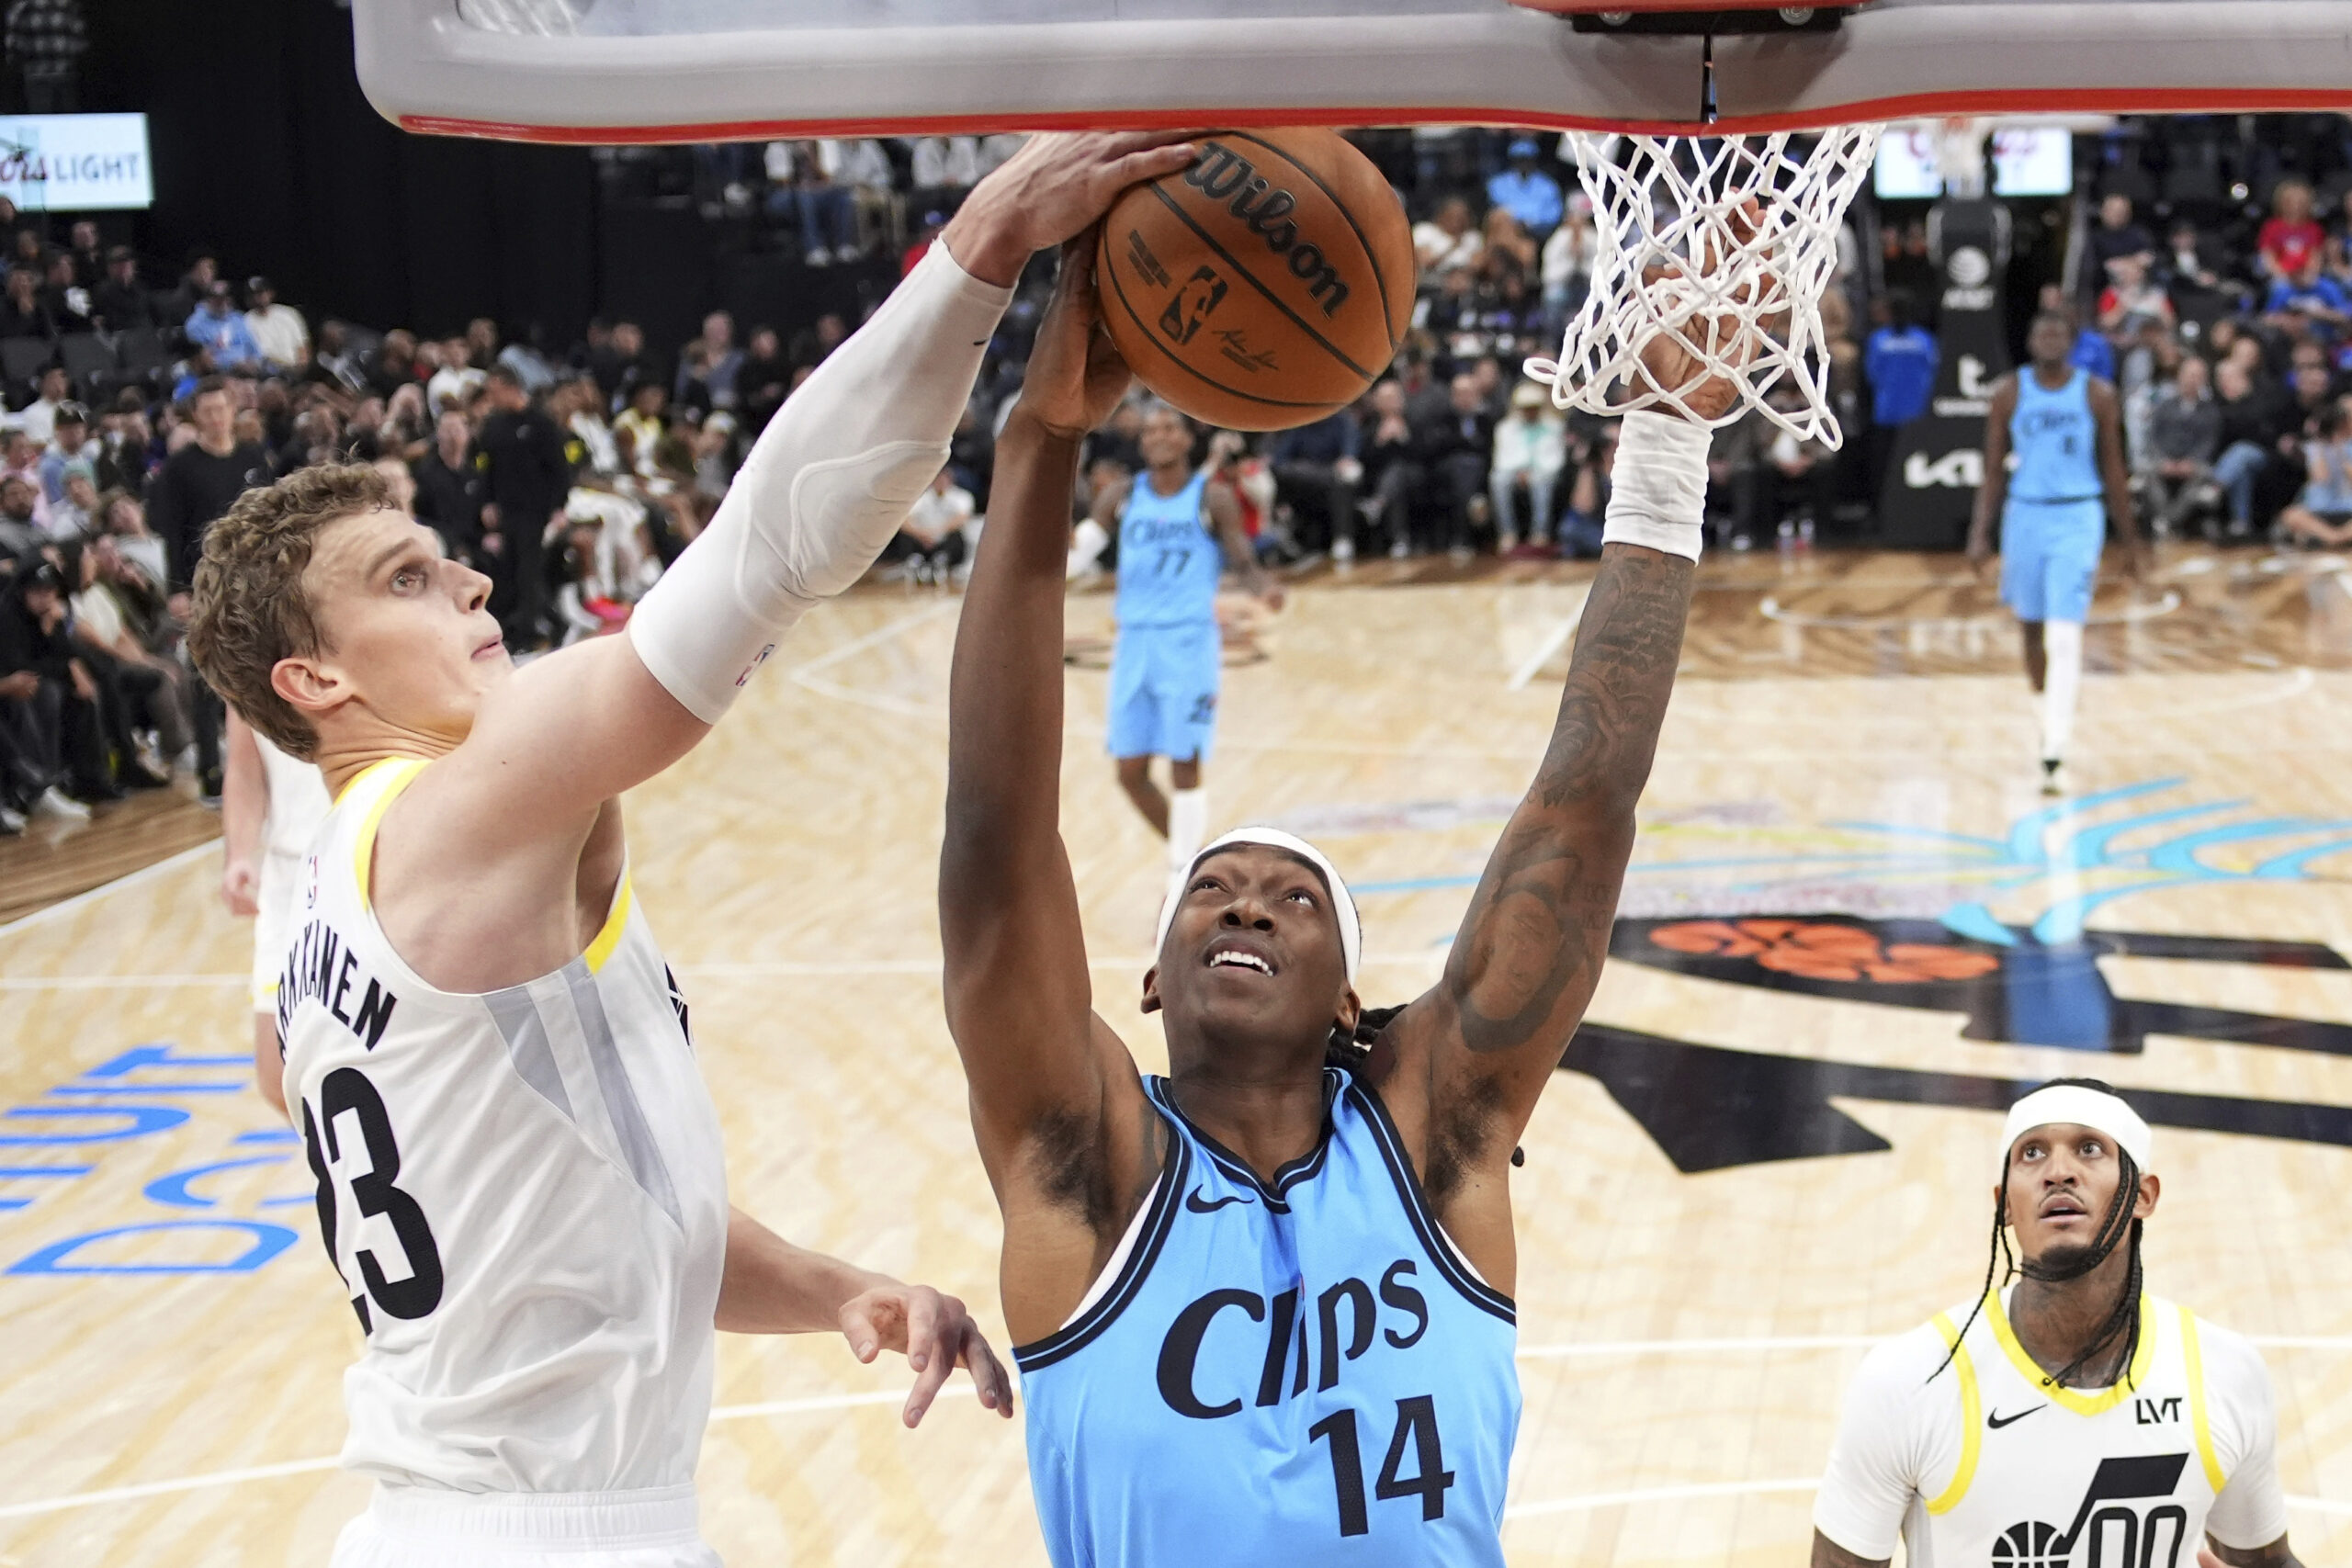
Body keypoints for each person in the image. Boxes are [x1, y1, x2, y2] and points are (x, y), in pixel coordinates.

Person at [178, 131, 1189, 1568]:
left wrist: (840, 1283)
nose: (469, 577)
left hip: (461, 1527)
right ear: (317, 684)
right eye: (407, 579)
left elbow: (586, 1221)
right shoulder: (456, 810)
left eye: (446, 552)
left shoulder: (321, 951)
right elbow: (763, 547)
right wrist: (983, 247)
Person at [938, 234, 1732, 1567]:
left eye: (1293, 898)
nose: (1245, 905)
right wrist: (1041, 439)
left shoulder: (1436, 1136)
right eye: (1212, 891)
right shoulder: (1092, 1161)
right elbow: (998, 845)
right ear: (1149, 977)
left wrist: (1666, 446)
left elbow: (1580, 812)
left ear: (1353, 994)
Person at [1812, 1080, 2303, 1568]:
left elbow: (2269, 1562)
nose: (2059, 1172)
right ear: (2005, 1203)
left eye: (2090, 1149)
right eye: (2032, 1153)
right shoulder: (1909, 1381)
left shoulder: (2225, 1373)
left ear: (2144, 1196)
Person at [1087, 408, 1278, 889]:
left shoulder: (1210, 497)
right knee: (1129, 772)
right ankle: (1196, 860)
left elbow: (1241, 556)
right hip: (1134, 642)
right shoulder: (1120, 496)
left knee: (1184, 762)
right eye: (1150, 430)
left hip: (1188, 642)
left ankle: (1181, 878)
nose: (1159, 436)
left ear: (1188, 438)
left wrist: (1262, 586)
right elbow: (1077, 552)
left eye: (1169, 427)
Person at [1968, 310, 2143, 795]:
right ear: (2029, 340)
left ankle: (2054, 745)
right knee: (2031, 630)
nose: (2048, 340)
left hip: (2078, 515)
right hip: (2025, 515)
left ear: (2071, 341)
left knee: (2065, 635)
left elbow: (2113, 468)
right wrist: (1980, 533)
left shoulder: (2096, 394)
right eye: (2041, 332)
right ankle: (2045, 711)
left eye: (2057, 333)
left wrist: (2129, 540)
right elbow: (1993, 470)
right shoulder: (2008, 392)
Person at [220, 710, 334, 1114]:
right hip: (287, 877)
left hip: (366, 858)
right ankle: (341, 1174)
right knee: (278, 1076)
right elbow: (244, 768)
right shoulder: (243, 656)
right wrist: (239, 855)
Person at [474, 364, 572, 648]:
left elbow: (559, 469)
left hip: (535, 510)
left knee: (528, 570)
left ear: (510, 388)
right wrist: (487, 502)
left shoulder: (542, 424)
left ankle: (528, 633)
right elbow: (487, 468)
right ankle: (540, 622)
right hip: (506, 509)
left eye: (495, 392)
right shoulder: (494, 426)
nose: (491, 398)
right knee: (510, 568)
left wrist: (559, 507)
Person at [2278, 401, 2352, 547]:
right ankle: (2335, 538)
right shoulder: (2313, 448)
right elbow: (2321, 477)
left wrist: (2340, 452)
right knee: (2291, 515)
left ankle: (2327, 538)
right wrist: (2320, 444)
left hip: (2347, 508)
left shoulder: (2348, 447)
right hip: (2320, 509)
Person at [245, 276, 311, 374]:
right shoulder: (247, 321)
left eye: (261, 292)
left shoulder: (289, 313)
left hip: (296, 369)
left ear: (271, 293)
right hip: (269, 370)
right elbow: (258, 356)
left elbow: (303, 346)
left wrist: (302, 367)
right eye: (253, 294)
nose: (258, 297)